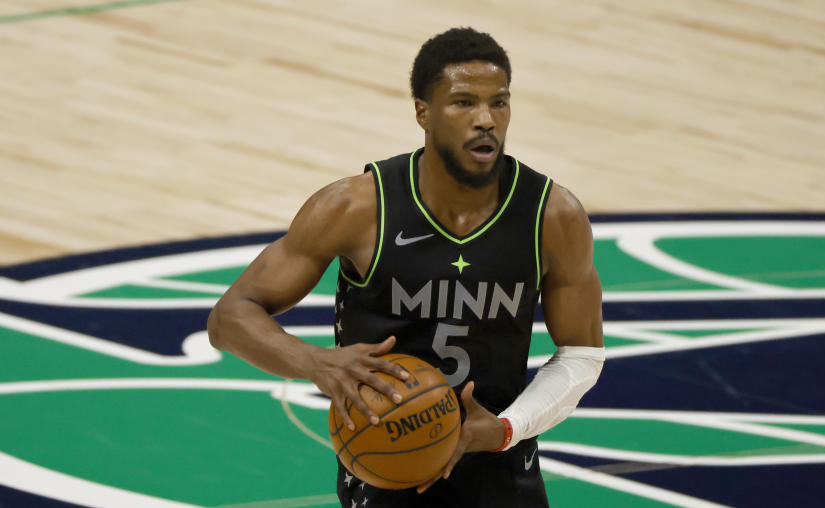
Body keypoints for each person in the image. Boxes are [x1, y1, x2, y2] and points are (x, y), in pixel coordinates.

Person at [208, 27, 604, 507]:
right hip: (384, 460)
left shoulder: (552, 215)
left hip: (497, 464)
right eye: (463, 102)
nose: (486, 119)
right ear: (423, 112)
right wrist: (315, 362)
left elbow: (581, 355)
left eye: (499, 103)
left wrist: (505, 428)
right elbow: (230, 317)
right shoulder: (357, 207)